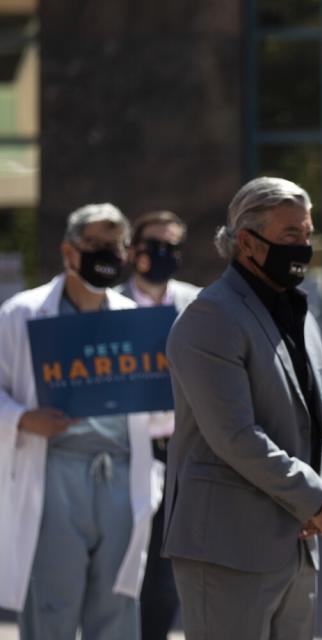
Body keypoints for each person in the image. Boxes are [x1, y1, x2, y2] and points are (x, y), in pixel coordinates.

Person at [162, 177, 322, 640]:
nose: (303, 248)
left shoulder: (298, 312)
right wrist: (315, 496)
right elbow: (234, 435)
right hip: (227, 547)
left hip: (298, 542)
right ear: (247, 241)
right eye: (290, 237)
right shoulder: (210, 317)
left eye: (307, 235)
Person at [0, 203, 159, 639]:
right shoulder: (22, 313)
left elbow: (162, 413)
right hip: (54, 471)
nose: (107, 254)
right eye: (94, 245)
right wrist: (23, 418)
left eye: (115, 245)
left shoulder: (134, 320)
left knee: (116, 609)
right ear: (68, 252)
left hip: (121, 475)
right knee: (52, 604)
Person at [119, 210, 200, 640]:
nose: (163, 254)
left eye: (172, 246)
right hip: (130, 448)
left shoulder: (198, 302)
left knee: (168, 565)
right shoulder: (112, 306)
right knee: (128, 559)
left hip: (182, 448)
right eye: (155, 245)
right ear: (133, 251)